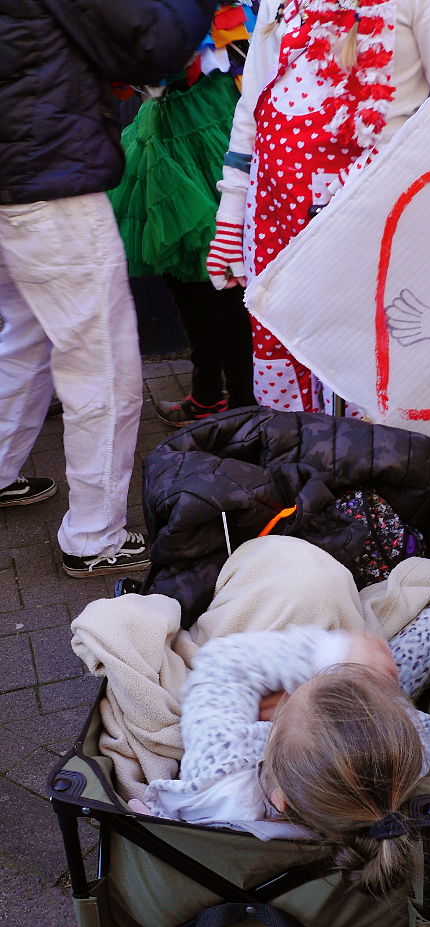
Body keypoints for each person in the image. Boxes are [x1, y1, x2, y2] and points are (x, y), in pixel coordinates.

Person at [0, 0, 218, 577]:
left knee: (25, 335)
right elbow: (154, 41)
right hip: (46, 176)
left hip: (17, 173)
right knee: (101, 364)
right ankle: (93, 535)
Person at [206, 0, 430, 412]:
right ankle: (296, 465)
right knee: (284, 355)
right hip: (273, 217)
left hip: (370, 223)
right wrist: (230, 215)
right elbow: (254, 104)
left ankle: (367, 471)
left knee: (361, 372)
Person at [129, 617, 430, 893]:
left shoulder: (220, 772)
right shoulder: (410, 759)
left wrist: (333, 653)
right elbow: (420, 726)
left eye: (285, 705)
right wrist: (375, 685)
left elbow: (224, 662)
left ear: (281, 799)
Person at [110, 2, 260, 428]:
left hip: (214, 123)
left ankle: (246, 410)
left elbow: (170, 54)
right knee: (180, 266)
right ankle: (208, 393)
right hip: (166, 125)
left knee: (226, 271)